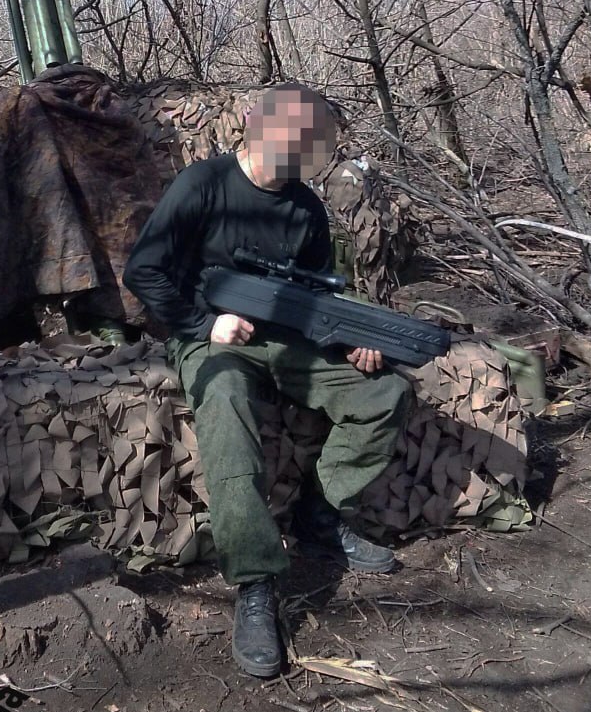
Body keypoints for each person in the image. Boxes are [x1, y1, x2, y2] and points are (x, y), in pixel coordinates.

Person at [123, 83, 411, 678]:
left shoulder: (306, 208)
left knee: (386, 393)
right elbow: (144, 270)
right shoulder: (203, 184)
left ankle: (320, 512)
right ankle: (255, 581)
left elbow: (313, 299)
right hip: (209, 336)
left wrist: (351, 341)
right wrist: (204, 323)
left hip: (285, 339)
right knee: (226, 403)